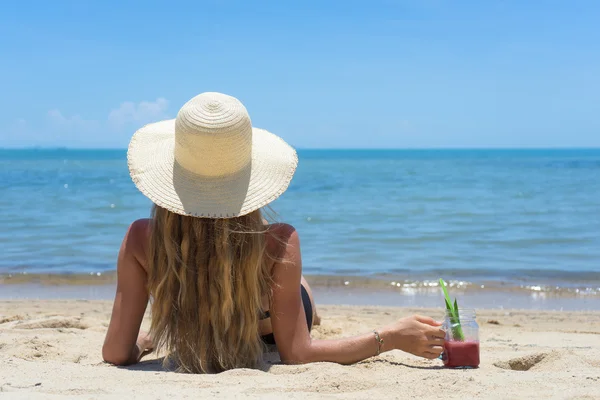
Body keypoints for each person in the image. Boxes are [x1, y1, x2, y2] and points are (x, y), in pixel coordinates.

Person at [102, 92, 445, 373]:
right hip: (269, 333)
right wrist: (389, 336)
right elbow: (296, 352)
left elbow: (116, 353)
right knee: (297, 287)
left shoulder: (139, 238)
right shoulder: (278, 240)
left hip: (201, 326)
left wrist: (143, 343)